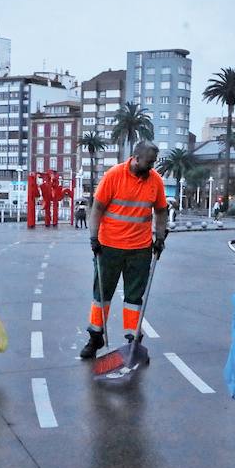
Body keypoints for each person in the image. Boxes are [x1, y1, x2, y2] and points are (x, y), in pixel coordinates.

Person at [80, 141, 169, 358]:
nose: (152, 167)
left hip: (140, 249)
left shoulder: (155, 181)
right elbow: (97, 208)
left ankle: (133, 339)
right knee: (101, 294)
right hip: (109, 247)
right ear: (136, 158)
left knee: (134, 297)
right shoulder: (114, 176)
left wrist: (159, 237)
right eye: (149, 162)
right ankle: (95, 337)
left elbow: (160, 211)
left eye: (154, 162)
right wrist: (93, 237)